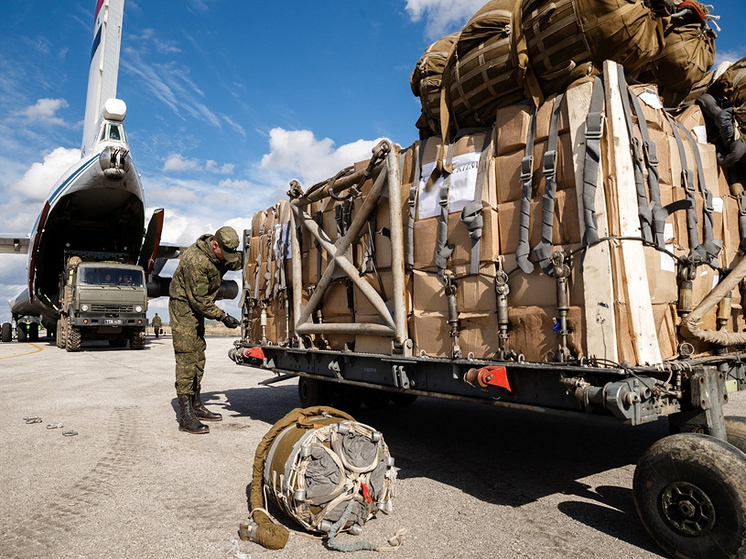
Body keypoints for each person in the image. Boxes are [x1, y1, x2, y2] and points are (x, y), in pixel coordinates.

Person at [169, 226, 242, 434]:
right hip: (184, 306)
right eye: (224, 253)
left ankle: (196, 404)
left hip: (198, 306)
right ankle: (185, 416)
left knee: (199, 354)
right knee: (186, 356)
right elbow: (199, 301)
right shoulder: (196, 260)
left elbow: (235, 261)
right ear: (215, 244)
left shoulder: (220, 251)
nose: (226, 258)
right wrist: (223, 317)